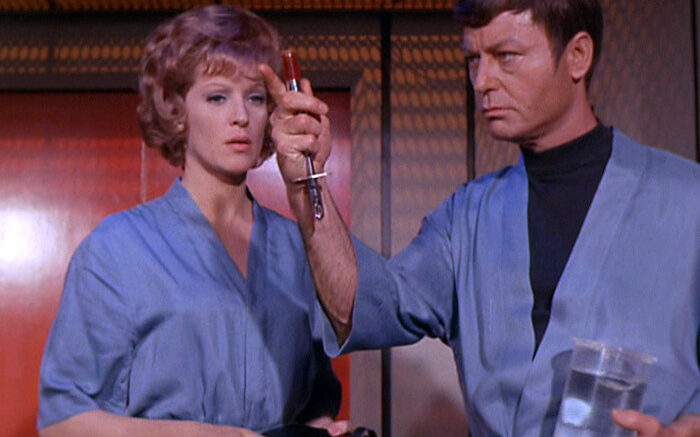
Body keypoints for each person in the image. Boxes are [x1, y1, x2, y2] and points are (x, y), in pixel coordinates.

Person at [259, 0, 700, 435]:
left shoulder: (686, 200)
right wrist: (305, 182)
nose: (483, 81)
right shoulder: (468, 219)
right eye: (474, 60)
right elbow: (357, 305)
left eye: (506, 56)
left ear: (577, 55)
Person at [38, 5, 350, 437]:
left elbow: (316, 401)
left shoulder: (297, 248)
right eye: (217, 97)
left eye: (255, 98)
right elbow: (62, 422)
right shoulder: (117, 250)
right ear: (177, 110)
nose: (240, 116)